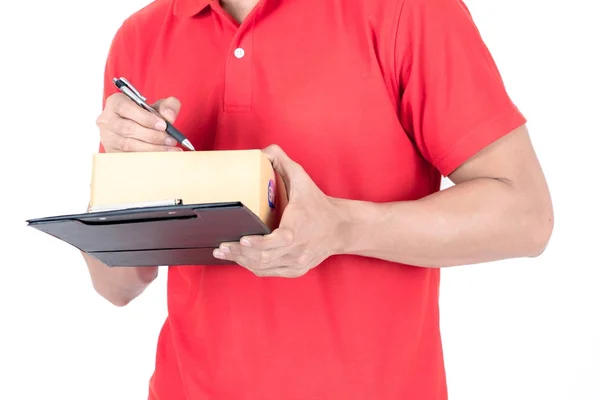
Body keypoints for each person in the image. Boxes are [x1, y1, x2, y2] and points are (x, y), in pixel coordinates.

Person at [85, 0, 554, 398]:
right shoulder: (140, 36)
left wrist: (341, 228)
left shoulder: (407, 10)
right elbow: (118, 285)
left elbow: (525, 215)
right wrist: (128, 174)